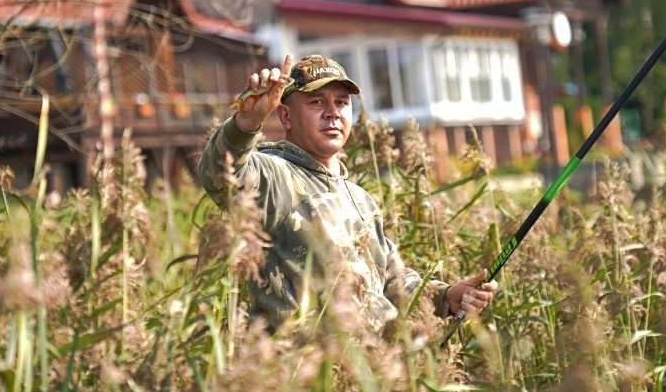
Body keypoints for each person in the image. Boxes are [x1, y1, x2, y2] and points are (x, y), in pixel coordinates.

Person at [197, 54, 498, 333]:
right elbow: (220, 175)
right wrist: (246, 124)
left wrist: (446, 296)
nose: (332, 113)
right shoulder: (274, 175)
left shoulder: (360, 198)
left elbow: (392, 282)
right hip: (309, 376)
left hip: (370, 372)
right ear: (286, 117)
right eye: (317, 102)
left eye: (341, 103)